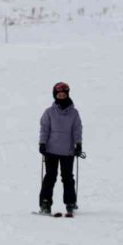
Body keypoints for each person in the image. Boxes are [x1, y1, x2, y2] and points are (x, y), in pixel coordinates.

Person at [38, 82, 83, 216]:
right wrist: (42, 143)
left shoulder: (74, 114)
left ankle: (70, 202)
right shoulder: (49, 112)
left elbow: (77, 130)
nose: (62, 97)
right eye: (59, 95)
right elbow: (44, 129)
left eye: (64, 95)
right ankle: (45, 202)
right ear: (55, 96)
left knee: (68, 177)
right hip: (51, 150)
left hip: (67, 152)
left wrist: (78, 144)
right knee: (50, 177)